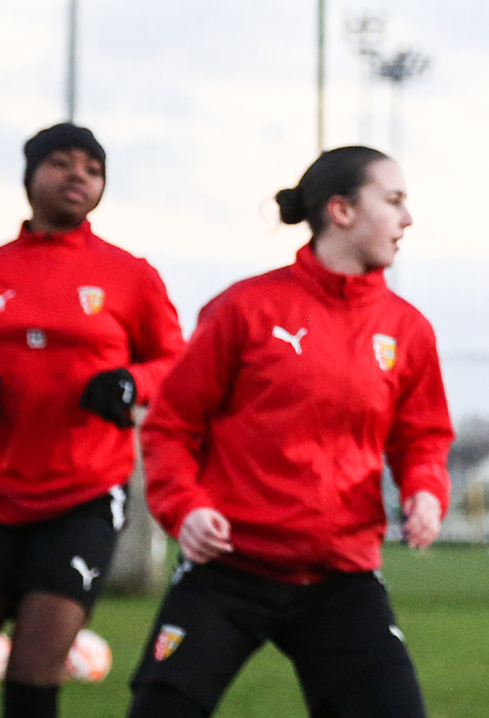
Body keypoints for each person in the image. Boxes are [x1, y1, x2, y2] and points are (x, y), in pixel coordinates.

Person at [128, 147, 454, 718]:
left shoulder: (407, 329)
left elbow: (423, 437)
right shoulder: (244, 308)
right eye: (394, 201)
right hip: (228, 566)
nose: (408, 220)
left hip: (341, 577)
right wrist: (186, 509)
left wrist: (425, 488)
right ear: (342, 211)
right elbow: (171, 427)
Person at [0, 124, 185, 718]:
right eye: (61, 162)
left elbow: (175, 359)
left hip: (82, 494)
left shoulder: (129, 274)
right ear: (29, 178)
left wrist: (133, 382)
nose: (78, 175)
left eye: (92, 168)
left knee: (33, 667)